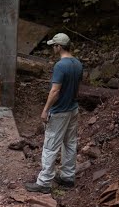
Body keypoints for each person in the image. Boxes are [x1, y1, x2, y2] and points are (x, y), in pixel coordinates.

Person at [25, 32, 83, 194]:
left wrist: (45, 109)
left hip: (59, 112)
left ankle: (44, 182)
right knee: (70, 144)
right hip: (73, 109)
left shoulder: (60, 66)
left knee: (50, 147)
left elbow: (55, 91)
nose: (52, 49)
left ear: (59, 47)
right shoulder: (78, 64)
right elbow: (77, 88)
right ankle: (67, 177)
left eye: (53, 46)